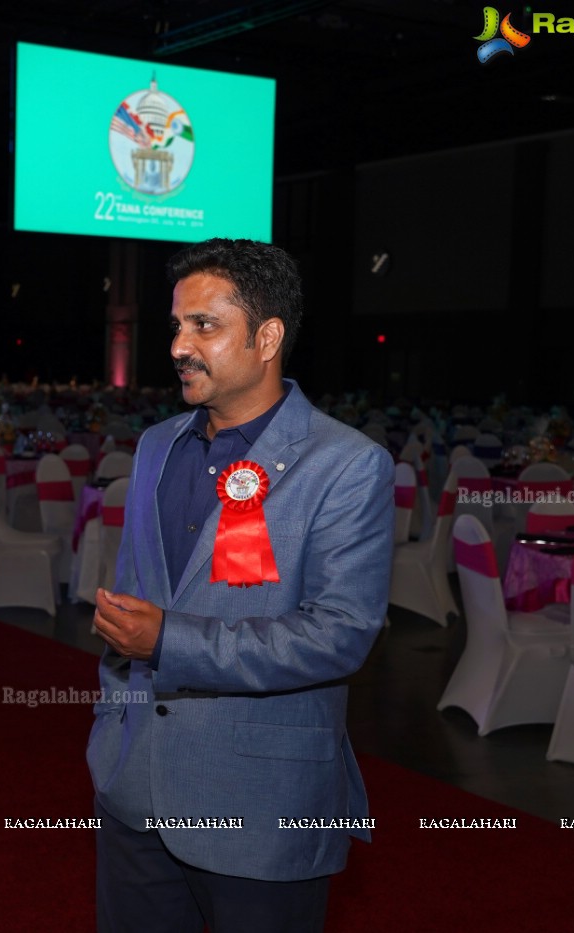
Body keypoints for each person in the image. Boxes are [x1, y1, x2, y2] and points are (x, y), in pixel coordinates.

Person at [86, 238, 393, 933]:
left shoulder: (346, 465)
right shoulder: (158, 444)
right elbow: (136, 591)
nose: (177, 345)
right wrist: (111, 729)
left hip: (261, 807)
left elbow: (340, 635)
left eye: (204, 325)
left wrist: (168, 639)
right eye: (176, 325)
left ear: (267, 336)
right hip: (133, 789)